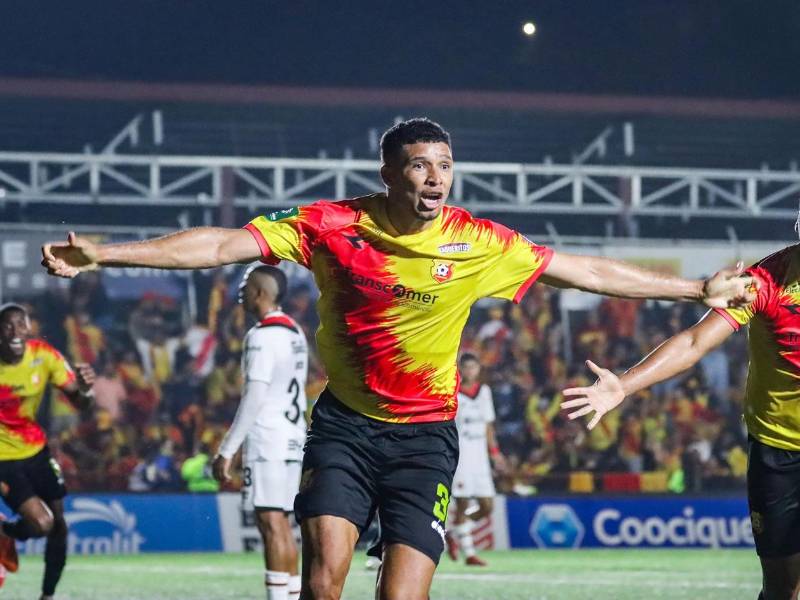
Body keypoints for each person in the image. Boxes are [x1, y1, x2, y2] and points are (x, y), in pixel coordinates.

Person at [41, 118, 755, 600]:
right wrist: (104, 251)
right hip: (347, 428)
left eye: (445, 165)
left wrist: (693, 287)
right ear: (389, 173)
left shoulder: (477, 241)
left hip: (425, 440)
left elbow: (584, 271)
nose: (436, 177)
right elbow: (221, 245)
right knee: (324, 581)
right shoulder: (334, 226)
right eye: (420, 165)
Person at [559, 242, 800, 600]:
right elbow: (693, 343)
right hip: (779, 450)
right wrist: (624, 385)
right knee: (784, 587)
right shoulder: (764, 281)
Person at [212, 265, 308, 600]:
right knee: (282, 524)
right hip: (293, 437)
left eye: (245, 285)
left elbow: (255, 397)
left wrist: (227, 449)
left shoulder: (261, 336)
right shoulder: (295, 332)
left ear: (261, 293)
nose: (240, 290)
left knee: (270, 524)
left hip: (268, 439)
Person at [0, 303, 95, 597]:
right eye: (7, 325)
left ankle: (47, 595)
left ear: (30, 327)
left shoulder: (43, 356)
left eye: (21, 324)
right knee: (41, 523)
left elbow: (80, 404)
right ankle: (7, 532)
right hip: (4, 460)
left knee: (59, 528)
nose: (15, 331)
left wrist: (85, 390)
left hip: (36, 451)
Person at [446, 353, 505, 567]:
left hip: (480, 458)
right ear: (461, 368)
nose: (470, 371)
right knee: (462, 504)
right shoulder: (454, 392)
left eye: (474, 367)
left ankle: (453, 532)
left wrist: (495, 452)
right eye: (467, 367)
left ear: (479, 368)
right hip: (462, 456)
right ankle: (469, 554)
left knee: (487, 506)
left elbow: (488, 425)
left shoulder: (484, 392)